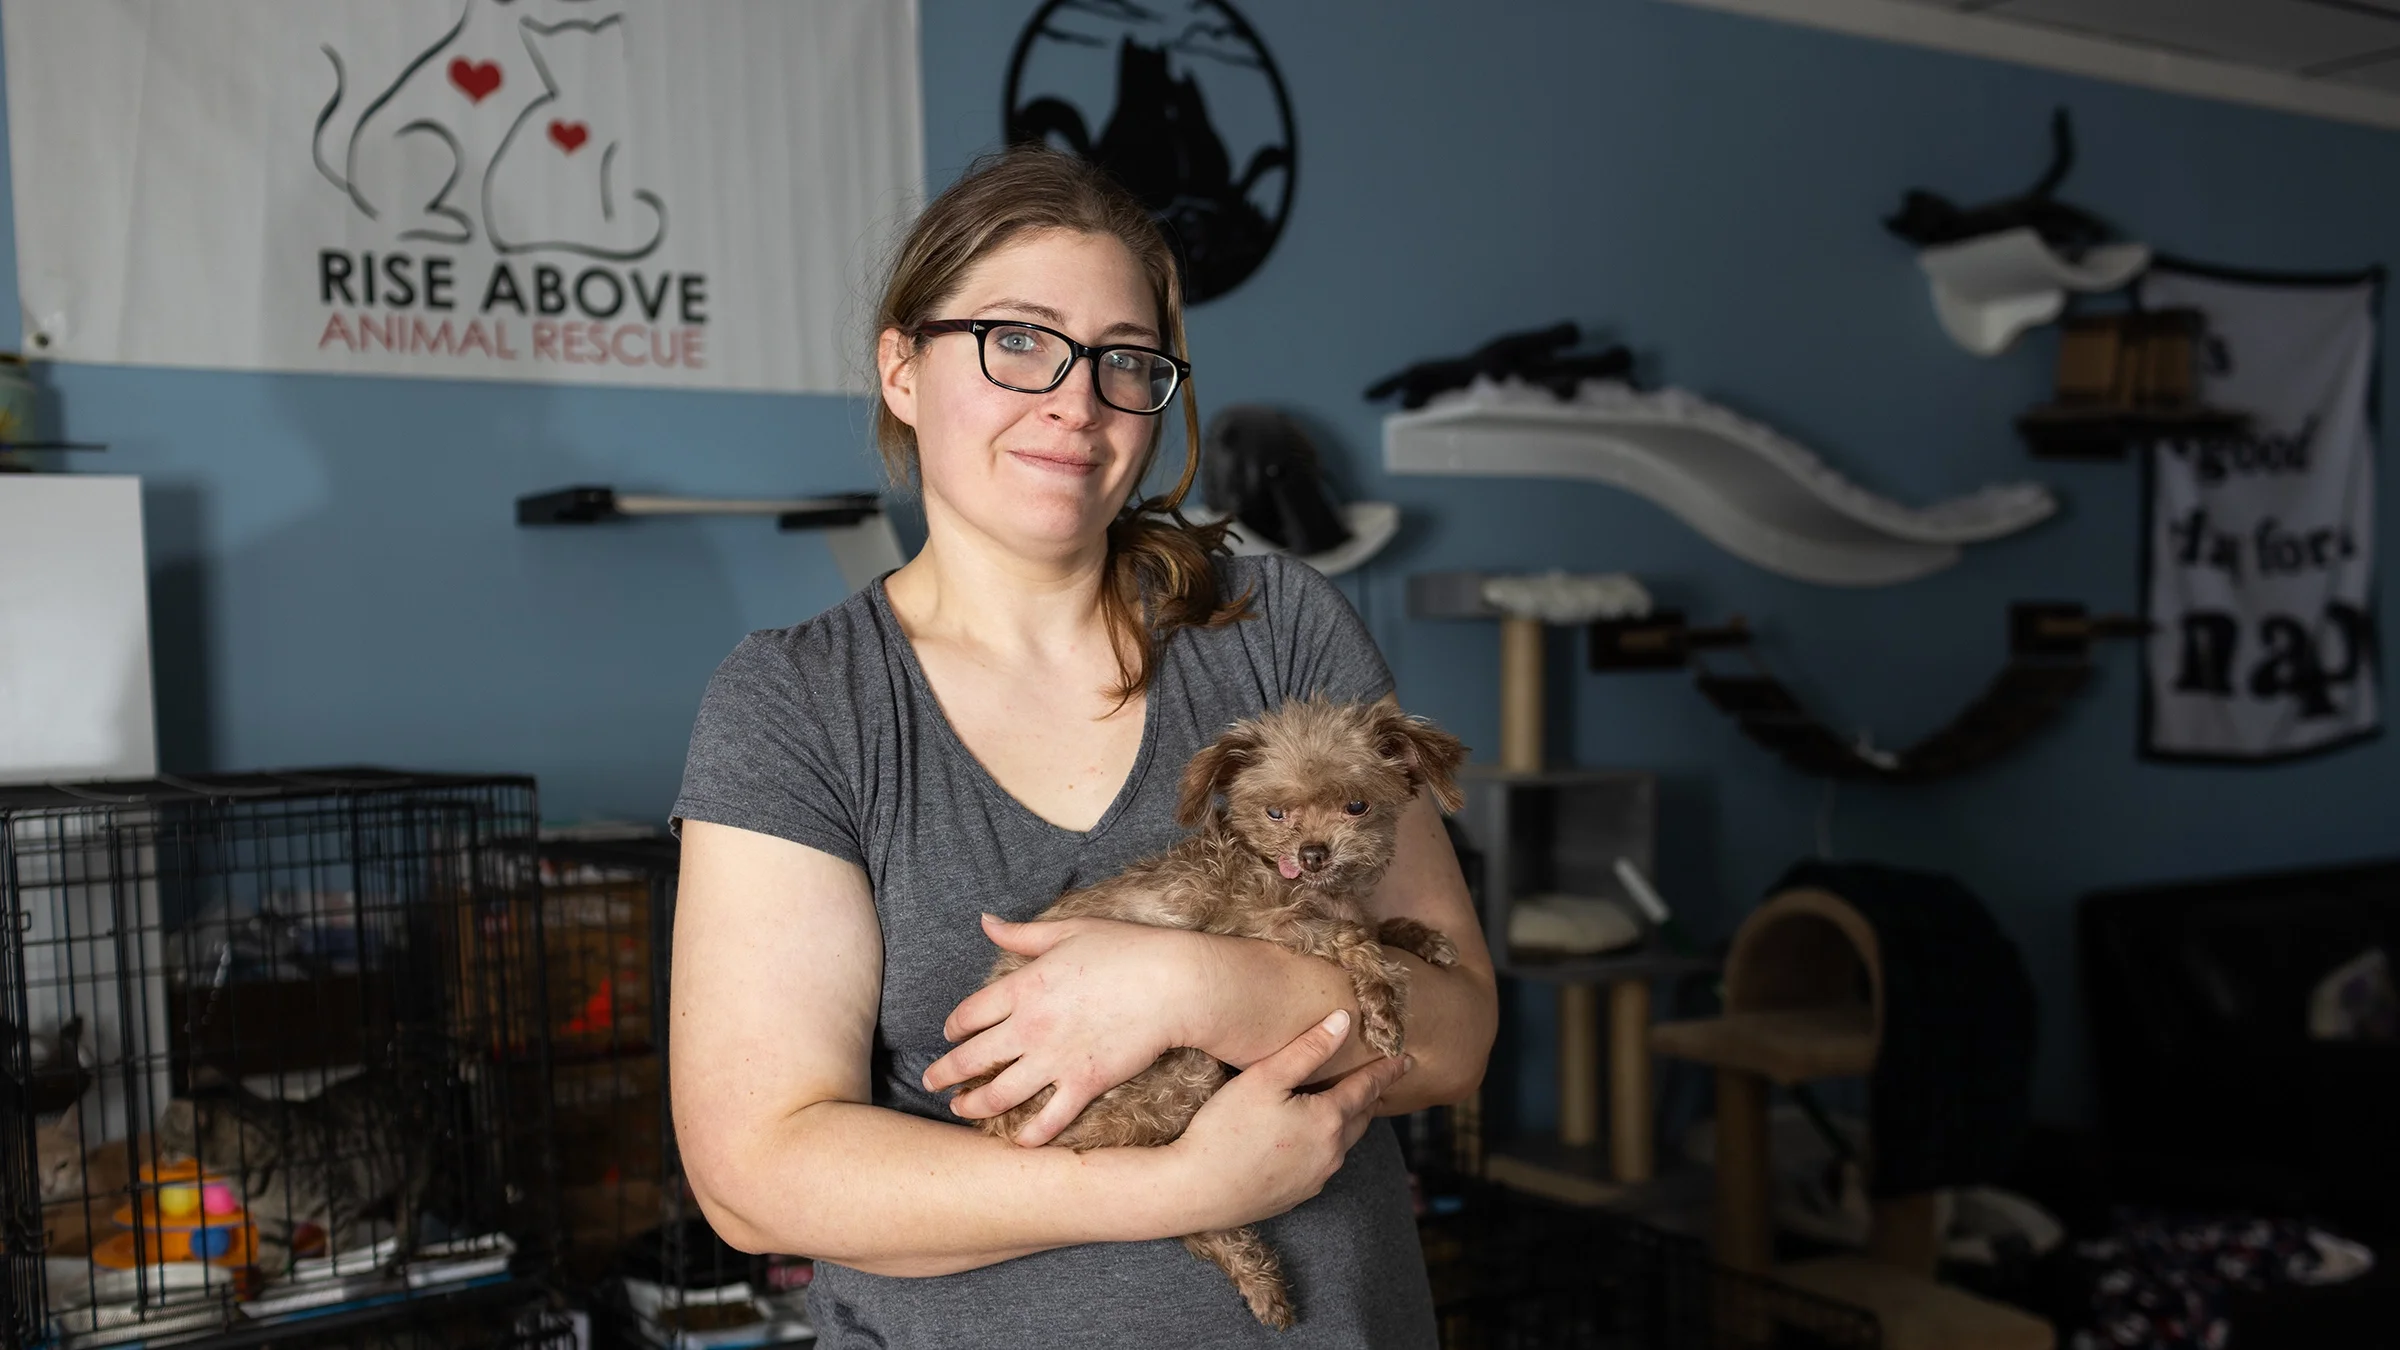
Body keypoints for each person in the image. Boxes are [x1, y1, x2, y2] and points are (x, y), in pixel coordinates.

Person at [668, 146, 1497, 1349]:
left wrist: (1200, 986)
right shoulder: (799, 703)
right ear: (901, 366)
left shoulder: (1277, 632)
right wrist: (1175, 1191)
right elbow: (758, 1176)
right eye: (1018, 340)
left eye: (1125, 359)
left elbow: (1458, 1035)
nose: (1077, 400)